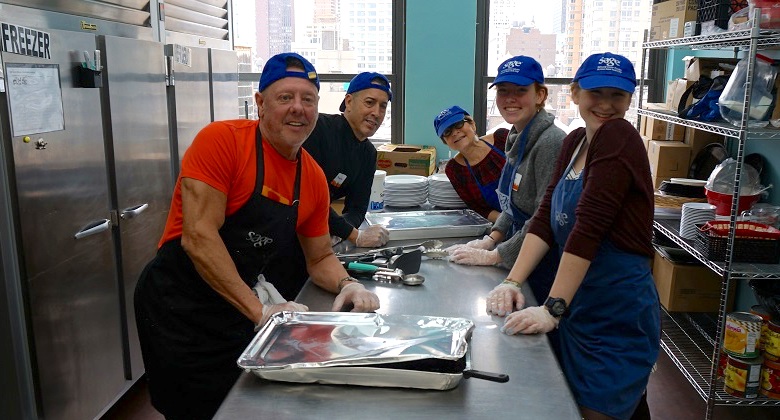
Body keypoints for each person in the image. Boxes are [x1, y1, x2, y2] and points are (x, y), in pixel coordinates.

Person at [134, 52, 381, 420]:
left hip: (237, 308)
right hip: (180, 305)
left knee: (240, 403)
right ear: (261, 104)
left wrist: (347, 284)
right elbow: (198, 237)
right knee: (194, 409)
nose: (298, 108)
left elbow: (318, 258)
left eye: (307, 99)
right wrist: (260, 311)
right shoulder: (222, 141)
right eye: (285, 98)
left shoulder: (311, 177)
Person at [485, 52, 660, 420]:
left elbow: (588, 228)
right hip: (580, 304)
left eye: (619, 96)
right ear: (576, 93)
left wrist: (552, 308)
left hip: (616, 309)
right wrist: (513, 280)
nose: (607, 105)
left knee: (597, 408)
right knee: (577, 404)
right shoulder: (576, 140)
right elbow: (546, 217)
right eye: (597, 93)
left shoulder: (619, 137)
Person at [447, 55, 565, 303]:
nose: (510, 98)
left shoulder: (550, 142)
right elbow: (511, 204)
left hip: (545, 260)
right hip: (521, 249)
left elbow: (542, 217)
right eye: (503, 91)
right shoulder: (516, 137)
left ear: (541, 95)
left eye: (521, 90)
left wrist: (496, 255)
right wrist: (490, 240)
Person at [303, 72, 392, 247]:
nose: (376, 113)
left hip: (317, 236)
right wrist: (352, 234)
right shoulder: (317, 129)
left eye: (383, 106)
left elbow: (357, 210)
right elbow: (307, 199)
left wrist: (336, 236)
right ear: (349, 102)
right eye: (369, 102)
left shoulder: (368, 153)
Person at [433, 105, 508, 222]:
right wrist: (508, 222)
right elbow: (478, 208)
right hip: (504, 226)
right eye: (447, 132)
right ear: (445, 142)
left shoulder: (502, 138)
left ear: (472, 124)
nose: (454, 133)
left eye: (458, 124)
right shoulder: (454, 170)